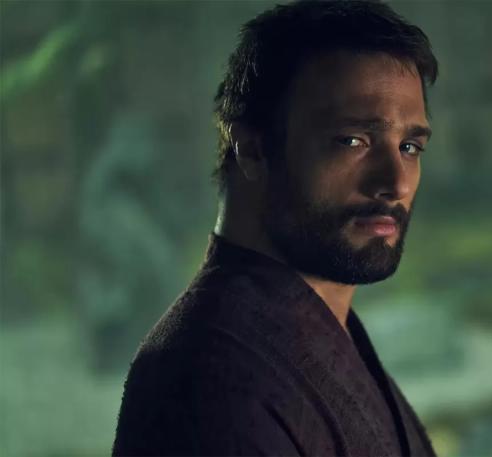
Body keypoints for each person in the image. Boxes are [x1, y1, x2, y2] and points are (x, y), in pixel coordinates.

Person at [112, 0, 438, 455]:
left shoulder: (327, 335)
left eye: (409, 147)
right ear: (252, 149)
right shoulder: (212, 380)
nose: (396, 182)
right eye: (353, 140)